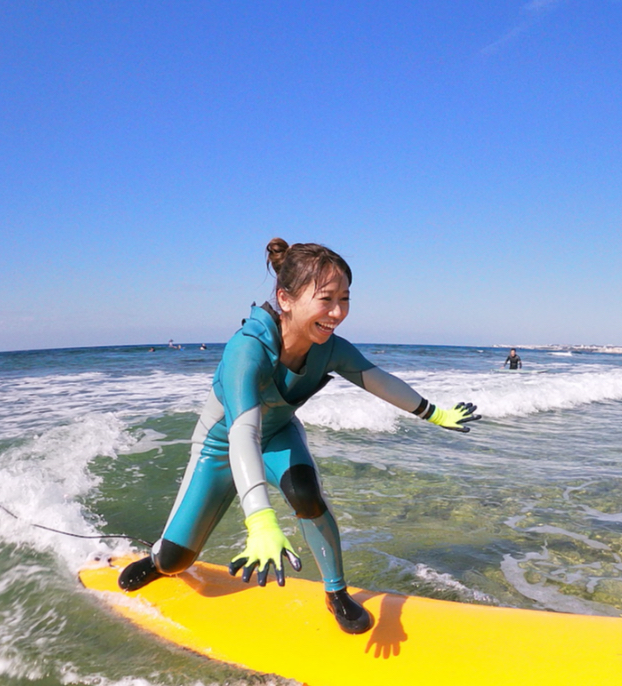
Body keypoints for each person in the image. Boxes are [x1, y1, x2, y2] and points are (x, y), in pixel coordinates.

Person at [118, 238, 481, 634]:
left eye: (345, 299)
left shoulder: (329, 349)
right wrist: (259, 520)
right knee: (175, 561)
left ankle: (336, 592)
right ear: (285, 299)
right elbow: (242, 432)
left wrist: (433, 412)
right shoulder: (247, 351)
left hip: (278, 437)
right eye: (326, 299)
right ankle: (157, 560)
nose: (338, 312)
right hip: (221, 448)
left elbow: (376, 379)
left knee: (306, 492)